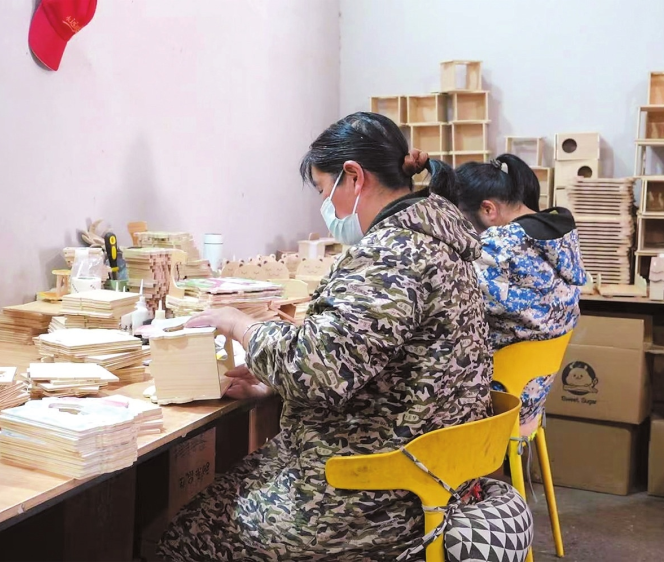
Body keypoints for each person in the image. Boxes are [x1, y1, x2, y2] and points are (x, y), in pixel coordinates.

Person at [156, 112, 493, 561]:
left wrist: (240, 324)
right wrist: (277, 380)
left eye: (323, 190)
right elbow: (379, 362)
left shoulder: (392, 254)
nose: (327, 207)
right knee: (234, 483)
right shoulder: (436, 241)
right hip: (423, 470)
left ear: (353, 176)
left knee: (183, 536)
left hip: (374, 497)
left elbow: (320, 372)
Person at [455, 153, 587, 436]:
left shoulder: (498, 246)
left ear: (488, 209)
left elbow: (451, 297)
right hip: (532, 397)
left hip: (498, 404)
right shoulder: (559, 235)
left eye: (464, 221)